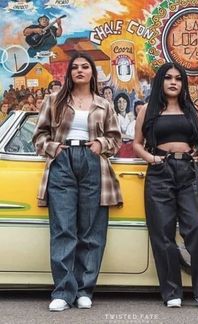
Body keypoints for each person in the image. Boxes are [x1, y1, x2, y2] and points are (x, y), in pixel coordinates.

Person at [32, 51, 122, 312]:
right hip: (63, 161)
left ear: (93, 72)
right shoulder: (54, 100)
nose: (80, 70)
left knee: (92, 230)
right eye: (75, 67)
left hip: (94, 162)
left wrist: (100, 144)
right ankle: (62, 291)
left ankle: (84, 289)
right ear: (69, 73)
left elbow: (116, 139)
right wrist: (54, 149)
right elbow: (39, 136)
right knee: (63, 228)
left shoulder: (104, 104)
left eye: (85, 67)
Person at [133, 62, 198, 309]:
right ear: (161, 81)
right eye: (168, 78)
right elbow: (137, 143)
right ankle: (172, 293)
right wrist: (152, 159)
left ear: (183, 83)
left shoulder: (190, 110)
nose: (173, 82)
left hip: (188, 171)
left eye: (178, 79)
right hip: (160, 171)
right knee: (162, 232)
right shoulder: (147, 110)